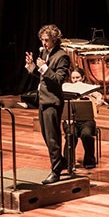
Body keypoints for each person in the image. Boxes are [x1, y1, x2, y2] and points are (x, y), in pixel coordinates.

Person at [25, 24, 70, 184]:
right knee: (47, 136)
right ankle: (61, 162)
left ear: (54, 40)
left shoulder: (62, 56)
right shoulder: (44, 52)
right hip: (43, 99)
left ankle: (56, 170)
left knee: (52, 138)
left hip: (53, 101)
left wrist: (44, 67)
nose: (43, 43)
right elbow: (43, 77)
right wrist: (32, 67)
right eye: (42, 40)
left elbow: (58, 79)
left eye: (47, 40)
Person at [62, 67, 104, 170]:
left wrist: (97, 101)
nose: (75, 80)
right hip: (70, 121)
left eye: (78, 77)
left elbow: (99, 97)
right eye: (73, 78)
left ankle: (89, 160)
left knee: (86, 134)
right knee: (71, 134)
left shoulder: (89, 90)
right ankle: (68, 162)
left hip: (87, 121)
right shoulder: (67, 89)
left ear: (83, 78)